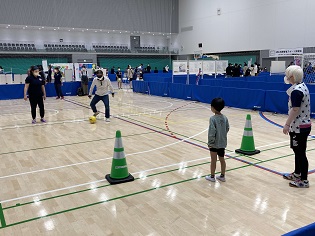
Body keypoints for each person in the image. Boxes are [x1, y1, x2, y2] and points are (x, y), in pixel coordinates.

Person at [282, 65, 311, 188]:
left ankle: (304, 180)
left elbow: (295, 109)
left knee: (300, 152)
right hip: (301, 125)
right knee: (297, 151)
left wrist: (287, 124)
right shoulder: (302, 86)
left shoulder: (297, 91)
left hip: (299, 127)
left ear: (292, 76)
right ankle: (297, 173)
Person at [205, 97, 229, 182]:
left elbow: (212, 131)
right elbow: (227, 128)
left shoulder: (213, 119)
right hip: (222, 143)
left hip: (214, 144)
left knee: (213, 160)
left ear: (213, 108)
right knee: (222, 159)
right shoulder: (225, 118)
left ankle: (212, 177)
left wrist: (210, 142)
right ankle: (222, 176)